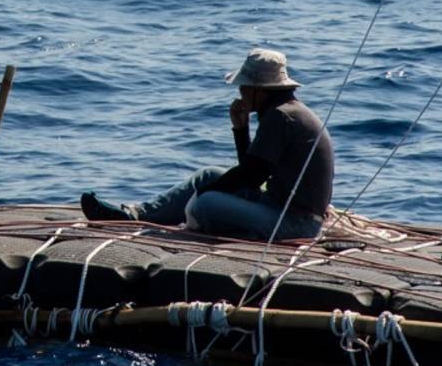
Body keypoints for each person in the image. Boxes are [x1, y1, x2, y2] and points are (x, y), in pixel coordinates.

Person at [79, 47, 334, 241]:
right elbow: (252, 170)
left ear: (260, 90)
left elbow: (251, 176)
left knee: (205, 203)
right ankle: (135, 215)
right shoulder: (286, 111)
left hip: (294, 223)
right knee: (207, 175)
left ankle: (211, 217)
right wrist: (241, 129)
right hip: (277, 206)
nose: (240, 93)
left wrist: (206, 193)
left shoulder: (281, 117)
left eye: (244, 87)